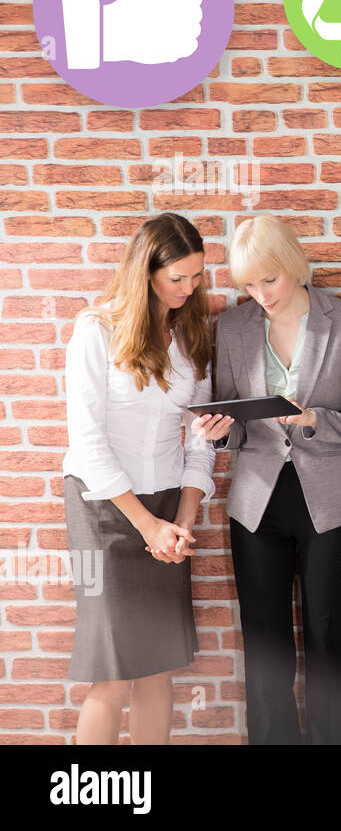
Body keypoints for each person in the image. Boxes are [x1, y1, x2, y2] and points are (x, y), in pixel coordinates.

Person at [202, 215, 341, 744]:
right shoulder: (233, 328)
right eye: (248, 284)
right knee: (265, 648)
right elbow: (235, 429)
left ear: (293, 265)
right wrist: (219, 435)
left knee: (330, 642)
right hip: (256, 507)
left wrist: (315, 420)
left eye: (270, 279)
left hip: (332, 505)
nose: (260, 294)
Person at [62, 212, 215, 744]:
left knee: (158, 663)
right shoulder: (96, 329)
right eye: (178, 278)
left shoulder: (192, 335)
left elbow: (200, 437)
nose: (189, 289)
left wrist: (183, 518)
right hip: (105, 508)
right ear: (145, 270)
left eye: (197, 277)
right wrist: (147, 526)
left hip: (169, 505)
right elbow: (88, 442)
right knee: (113, 671)